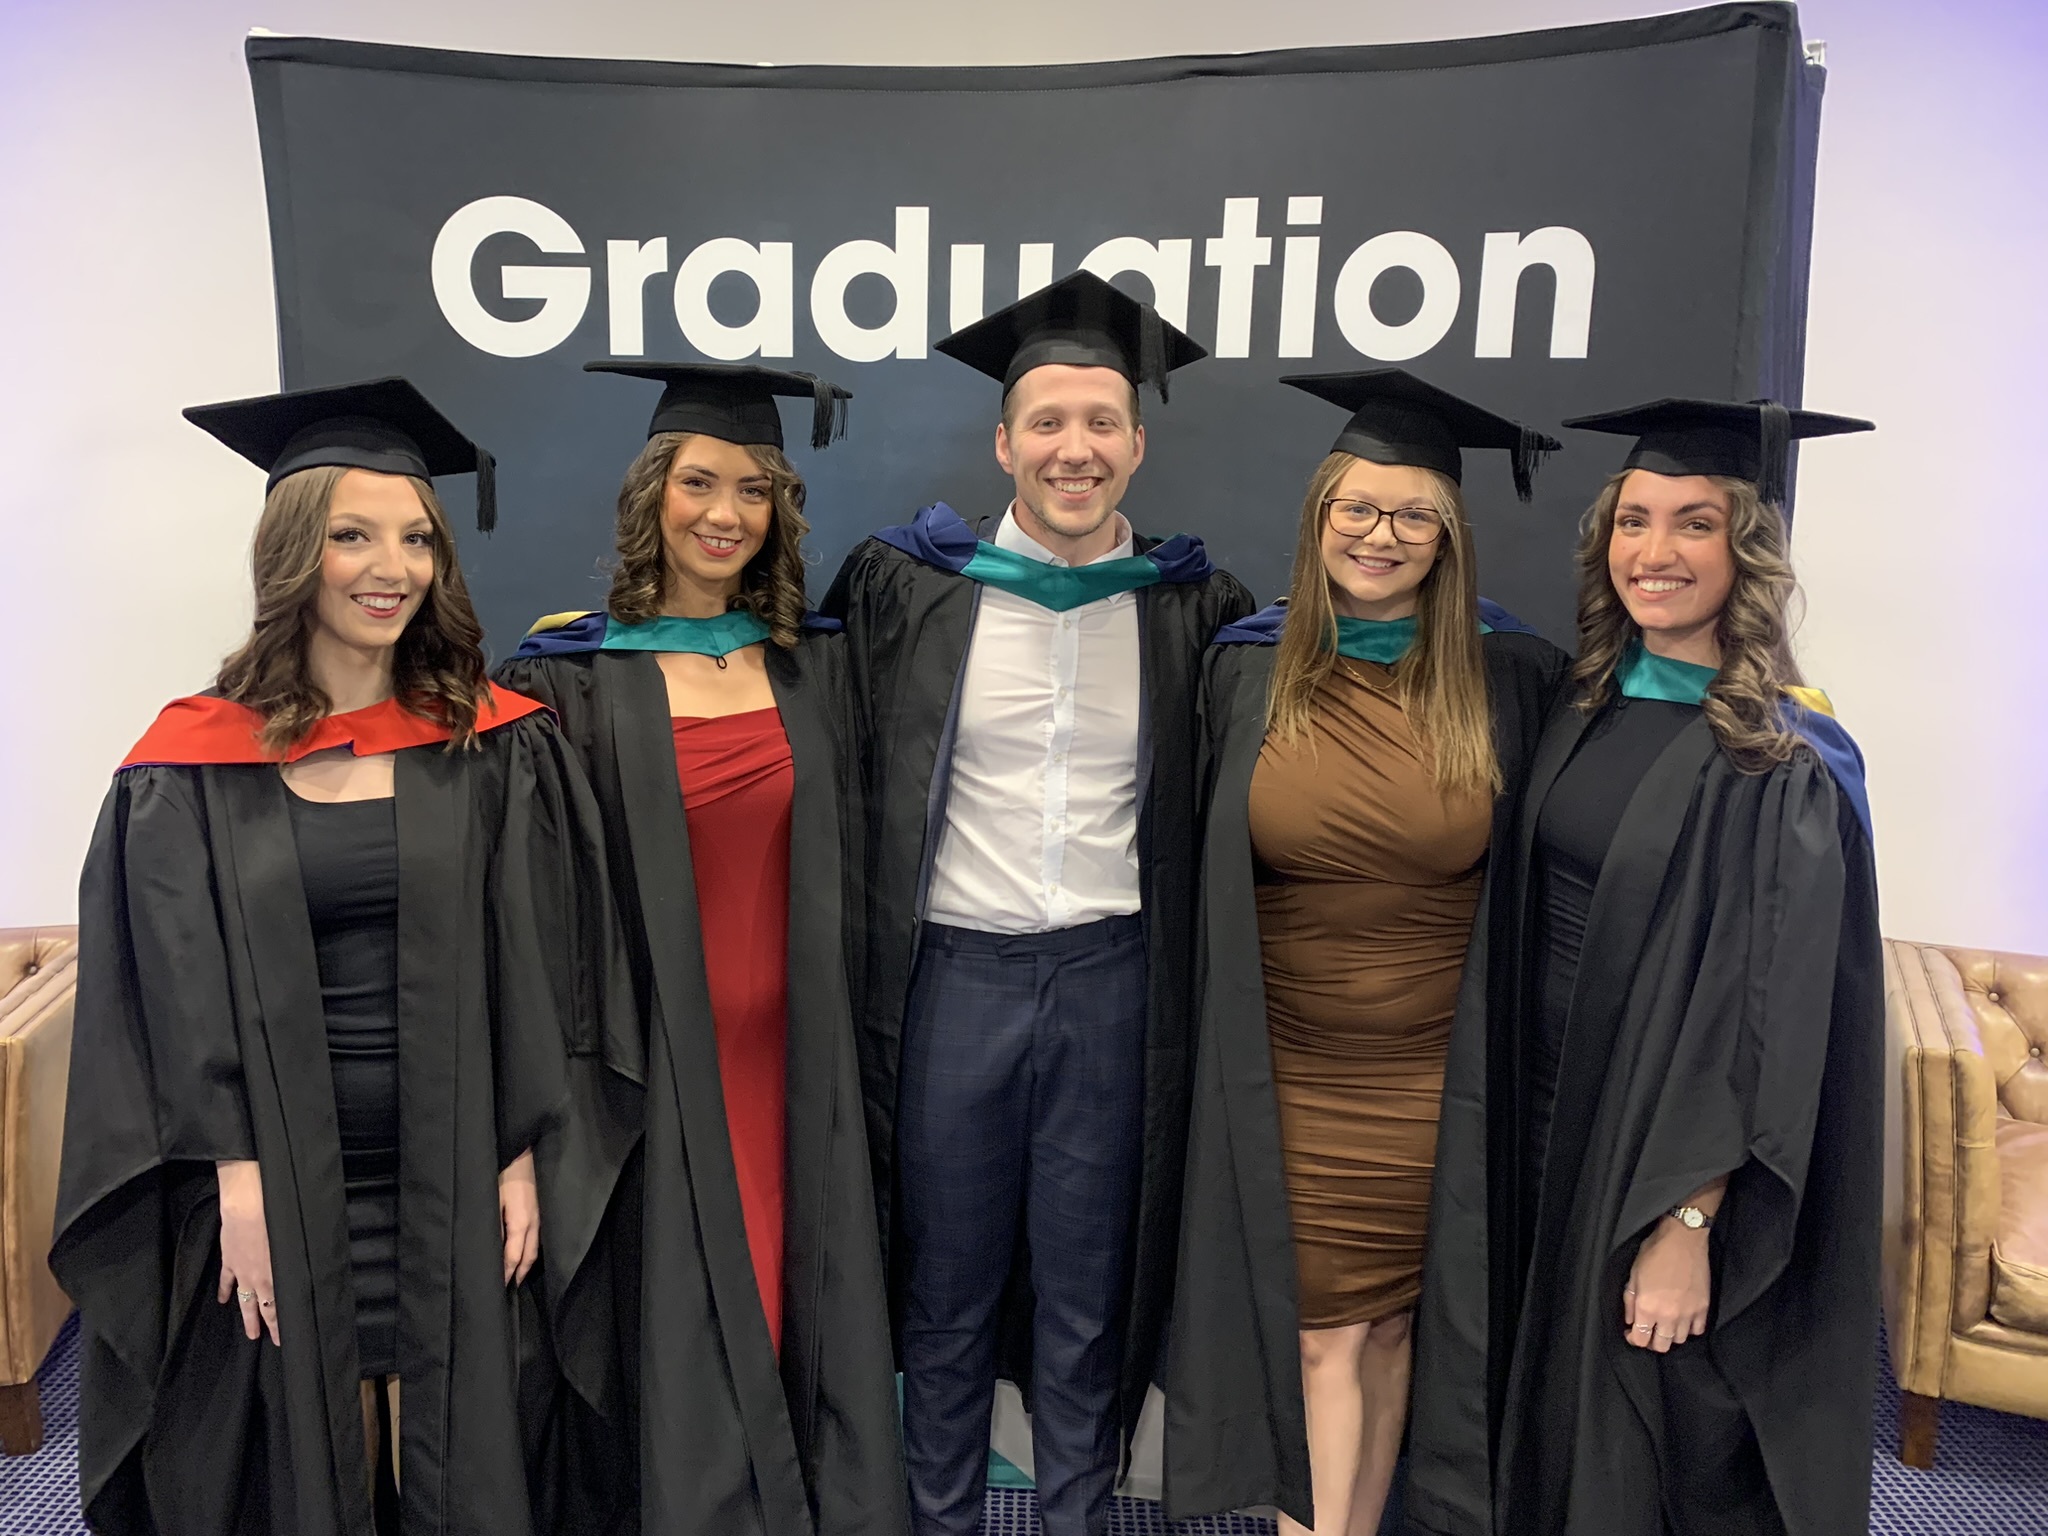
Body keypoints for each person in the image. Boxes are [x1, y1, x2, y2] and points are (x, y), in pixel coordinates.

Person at [51, 378, 613, 1536]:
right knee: (303, 1450)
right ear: (294, 552)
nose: (386, 567)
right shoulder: (188, 767)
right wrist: (236, 1172)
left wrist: (518, 1148)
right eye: (351, 536)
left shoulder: (493, 747)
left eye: (414, 539)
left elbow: (534, 956)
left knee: (457, 1443)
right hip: (275, 1181)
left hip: (452, 1159)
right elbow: (166, 988)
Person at [822, 270, 1255, 1536]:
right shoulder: (912, 589)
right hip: (954, 978)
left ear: (1137, 442)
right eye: (1049, 423)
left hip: (1114, 983)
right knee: (946, 1294)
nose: (1076, 449)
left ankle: (1073, 1514)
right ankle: (942, 1517)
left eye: (1102, 422)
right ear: (1003, 440)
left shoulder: (1189, 607)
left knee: (1086, 1291)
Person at [1404, 399, 1882, 1536]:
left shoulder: (1779, 759)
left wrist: (1687, 1223)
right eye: (1633, 520)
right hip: (1538, 1115)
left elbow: (1763, 1023)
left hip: (1655, 1148)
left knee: (1642, 1425)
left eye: (1692, 523)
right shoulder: (1582, 701)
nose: (1653, 553)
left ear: (1746, 550)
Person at [495, 362, 907, 1536]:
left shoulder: (804, 663)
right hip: (658, 1068)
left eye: (753, 488)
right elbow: (541, 909)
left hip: (795, 1060)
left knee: (793, 1293)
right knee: (682, 1314)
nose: (724, 512)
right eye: (697, 482)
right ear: (648, 496)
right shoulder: (568, 678)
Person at [1161, 371, 1567, 1534]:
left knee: (1384, 1326)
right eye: (1355, 510)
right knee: (1318, 1327)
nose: (1379, 536)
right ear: (1316, 517)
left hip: (1433, 1077)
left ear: (1447, 537)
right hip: (1284, 1064)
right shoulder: (1248, 666)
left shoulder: (1507, 678)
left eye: (1410, 515)